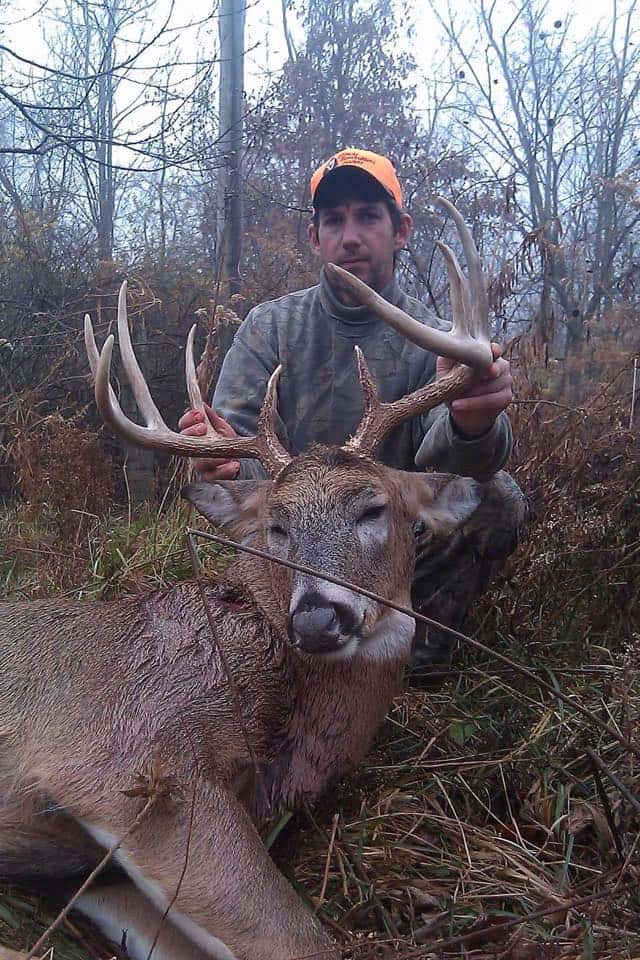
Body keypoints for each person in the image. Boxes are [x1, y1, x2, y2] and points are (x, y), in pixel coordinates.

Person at [179, 148, 528, 671]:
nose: (350, 236)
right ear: (314, 238)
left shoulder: (438, 342)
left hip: (389, 537)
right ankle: (286, 644)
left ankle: (419, 655)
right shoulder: (269, 328)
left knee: (498, 498)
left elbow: (456, 473)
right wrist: (222, 459)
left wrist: (471, 426)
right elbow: (243, 466)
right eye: (334, 221)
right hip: (298, 546)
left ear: (400, 229)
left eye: (368, 216)